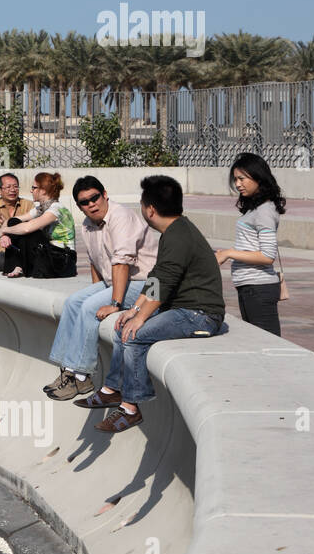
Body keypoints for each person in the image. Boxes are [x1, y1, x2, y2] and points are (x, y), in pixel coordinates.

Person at [75, 175, 227, 433]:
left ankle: (130, 408)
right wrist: (134, 309)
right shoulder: (175, 231)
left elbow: (163, 284)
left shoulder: (178, 236)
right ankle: (112, 390)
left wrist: (141, 317)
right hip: (185, 310)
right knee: (124, 328)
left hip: (200, 315)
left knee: (135, 335)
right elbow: (157, 277)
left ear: (151, 210)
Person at [43, 176, 161, 401]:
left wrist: (114, 304)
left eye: (95, 198)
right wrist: (98, 291)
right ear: (79, 206)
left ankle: (82, 376)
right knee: (73, 302)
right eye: (84, 202)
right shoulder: (88, 224)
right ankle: (66, 369)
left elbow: (121, 262)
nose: (91, 204)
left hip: (146, 284)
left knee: (89, 308)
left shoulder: (121, 217)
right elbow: (95, 262)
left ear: (104, 194)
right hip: (116, 282)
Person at [215, 153, 286, 337]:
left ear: (258, 177)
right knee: (257, 342)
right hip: (250, 287)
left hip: (259, 288)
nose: (238, 184)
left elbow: (267, 256)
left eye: (242, 178)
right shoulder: (257, 209)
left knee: (267, 344)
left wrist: (230, 253)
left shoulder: (264, 211)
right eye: (236, 179)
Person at [0, 172, 76, 278]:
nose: (31, 191)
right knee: (14, 223)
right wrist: (4, 234)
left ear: (43, 190)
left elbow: (27, 229)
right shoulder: (40, 209)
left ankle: (18, 266)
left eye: (34, 188)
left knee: (32, 232)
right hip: (50, 254)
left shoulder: (56, 209)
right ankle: (16, 266)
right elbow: (13, 220)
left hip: (63, 260)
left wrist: (4, 230)